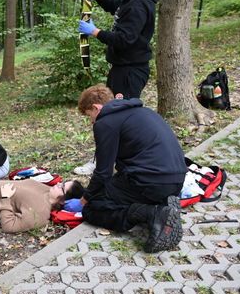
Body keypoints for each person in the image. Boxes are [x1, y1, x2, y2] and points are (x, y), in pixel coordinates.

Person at [67, 85, 187, 253]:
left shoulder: (105, 122)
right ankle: (162, 202)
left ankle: (153, 213)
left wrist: (83, 201)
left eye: (89, 116)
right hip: (177, 180)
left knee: (93, 207)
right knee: (114, 189)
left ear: (96, 107)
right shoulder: (143, 112)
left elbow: (103, 172)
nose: (91, 121)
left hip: (150, 181)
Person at [75, 0, 159, 176]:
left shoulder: (139, 3)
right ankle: (108, 160)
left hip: (131, 71)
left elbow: (125, 40)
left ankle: (117, 164)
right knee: (110, 116)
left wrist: (95, 32)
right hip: (122, 68)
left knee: (118, 119)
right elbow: (116, 6)